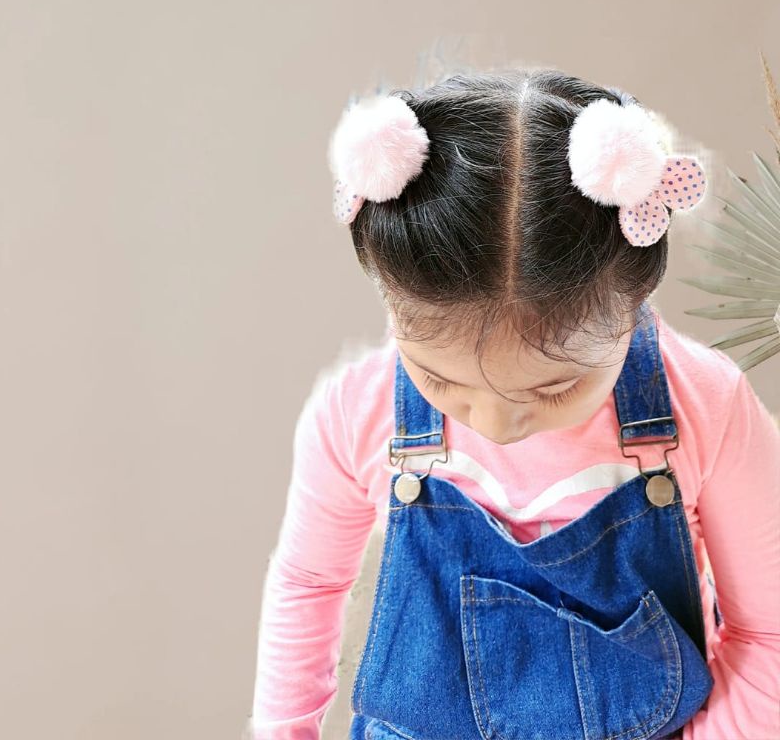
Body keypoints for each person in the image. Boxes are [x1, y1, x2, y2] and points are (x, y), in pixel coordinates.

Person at [248, 67, 780, 740]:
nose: (495, 425)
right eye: (441, 382)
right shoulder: (358, 412)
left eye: (553, 389)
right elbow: (306, 583)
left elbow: (768, 633)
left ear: (633, 302)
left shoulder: (704, 405)